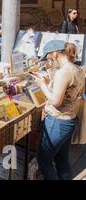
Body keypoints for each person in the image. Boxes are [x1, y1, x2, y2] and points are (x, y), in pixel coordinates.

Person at [33, 40, 85, 180]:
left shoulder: (64, 72)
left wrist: (42, 85)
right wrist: (50, 82)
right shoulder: (77, 69)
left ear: (55, 54)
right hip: (69, 120)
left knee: (43, 160)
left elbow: (56, 101)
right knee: (62, 161)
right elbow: (70, 92)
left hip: (57, 121)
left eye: (49, 57)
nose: (50, 61)